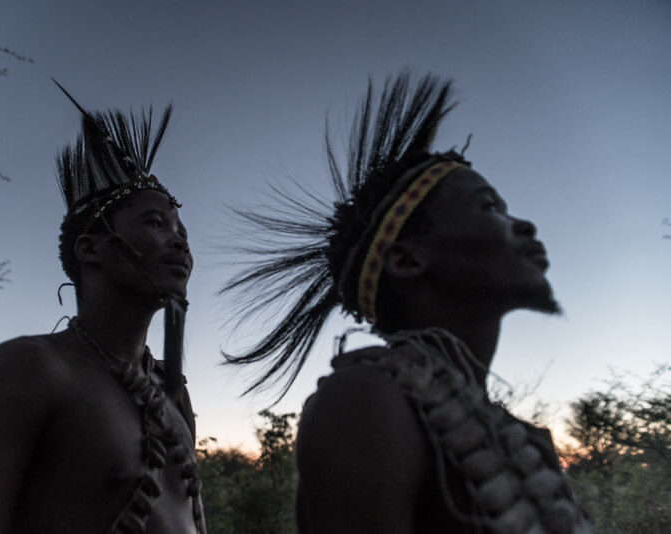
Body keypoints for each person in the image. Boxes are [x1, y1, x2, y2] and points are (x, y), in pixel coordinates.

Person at [222, 72, 594, 533]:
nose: (525, 226)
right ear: (405, 259)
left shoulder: (516, 437)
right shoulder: (366, 399)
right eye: (490, 208)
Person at [0, 87, 205, 534]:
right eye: (155, 223)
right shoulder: (27, 370)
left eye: (181, 229)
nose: (180, 241)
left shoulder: (172, 391)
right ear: (90, 249)